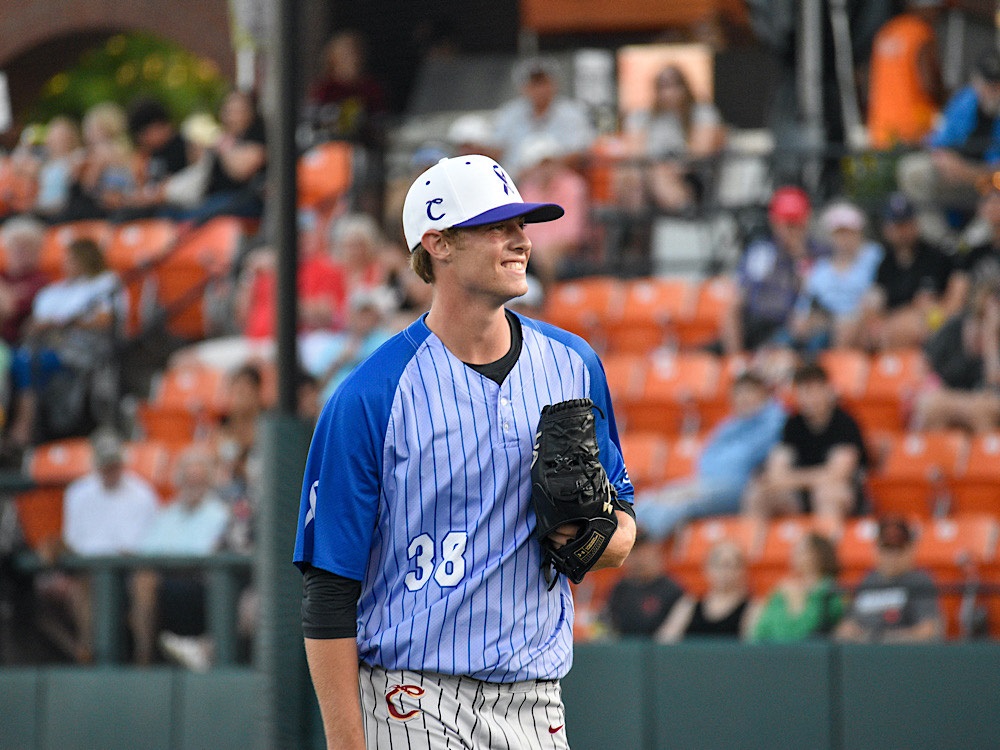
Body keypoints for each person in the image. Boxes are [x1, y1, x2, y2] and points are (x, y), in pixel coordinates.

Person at [294, 153, 636, 748]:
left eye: (521, 225)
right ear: (439, 244)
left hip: (538, 701)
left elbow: (624, 519)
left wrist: (595, 538)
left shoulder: (573, 363)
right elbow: (328, 591)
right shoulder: (370, 395)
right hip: (413, 697)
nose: (520, 241)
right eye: (496, 226)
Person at [35, 431, 159, 662]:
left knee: (144, 579)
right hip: (89, 569)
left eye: (114, 464)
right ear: (96, 465)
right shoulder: (78, 493)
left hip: (129, 569)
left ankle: (144, 657)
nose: (111, 470)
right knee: (81, 579)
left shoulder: (143, 493)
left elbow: (149, 543)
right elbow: (73, 540)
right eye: (105, 465)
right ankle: (87, 652)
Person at [6, 237, 126, 450]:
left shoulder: (105, 283)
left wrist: (64, 322)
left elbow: (105, 318)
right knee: (13, 360)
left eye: (71, 259)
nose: (65, 264)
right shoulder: (56, 290)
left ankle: (24, 427)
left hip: (81, 350)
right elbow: (33, 324)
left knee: (28, 361)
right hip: (45, 345)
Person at [634, 371, 786, 540]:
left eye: (749, 392)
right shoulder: (730, 424)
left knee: (681, 505)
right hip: (707, 483)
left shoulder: (774, 422)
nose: (743, 398)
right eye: (739, 393)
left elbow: (745, 459)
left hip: (738, 488)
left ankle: (646, 542)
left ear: (762, 394)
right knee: (654, 497)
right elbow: (706, 459)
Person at [129, 445, 230, 667]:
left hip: (201, 586)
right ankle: (143, 660)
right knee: (143, 580)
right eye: (188, 479)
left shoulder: (220, 514)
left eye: (199, 480)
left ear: (208, 482)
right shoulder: (166, 515)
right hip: (164, 583)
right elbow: (146, 553)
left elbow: (211, 553)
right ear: (179, 481)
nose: (193, 485)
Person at [744, 363, 868, 526]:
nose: (811, 397)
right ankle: (754, 548)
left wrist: (790, 479)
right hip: (798, 494)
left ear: (827, 389)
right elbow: (776, 470)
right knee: (758, 493)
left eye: (815, 390)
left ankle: (824, 548)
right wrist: (792, 481)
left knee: (828, 493)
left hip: (841, 493)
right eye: (804, 391)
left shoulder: (845, 423)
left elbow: (838, 474)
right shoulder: (793, 424)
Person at [899, 49, 1000, 234]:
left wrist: (969, 172)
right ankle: (942, 245)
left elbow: (996, 172)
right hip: (959, 179)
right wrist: (945, 160)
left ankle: (973, 247)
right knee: (913, 170)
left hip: (991, 185)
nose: (994, 89)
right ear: (977, 82)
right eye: (989, 83)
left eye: (998, 83)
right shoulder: (964, 100)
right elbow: (936, 142)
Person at [722, 185, 829, 353]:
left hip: (793, 331)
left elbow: (815, 298)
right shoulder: (761, 252)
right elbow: (739, 300)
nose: (790, 229)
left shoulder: (820, 254)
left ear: (806, 221)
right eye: (785, 223)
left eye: (796, 223)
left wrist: (800, 257)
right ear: (774, 222)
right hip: (757, 326)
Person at [855, 192, 959, 350]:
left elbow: (935, 305)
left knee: (913, 324)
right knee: (859, 328)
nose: (901, 231)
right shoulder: (886, 263)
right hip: (889, 325)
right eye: (896, 225)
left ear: (915, 223)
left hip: (930, 325)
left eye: (905, 224)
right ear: (886, 228)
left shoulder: (935, 257)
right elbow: (875, 300)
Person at [618, 64, 726, 215]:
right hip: (648, 178)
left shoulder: (702, 113)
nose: (669, 92)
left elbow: (700, 154)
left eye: (675, 84)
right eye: (663, 86)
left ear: (685, 86)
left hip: (691, 178)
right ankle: (632, 226)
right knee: (628, 174)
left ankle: (682, 214)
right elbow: (636, 155)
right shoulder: (643, 117)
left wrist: (670, 167)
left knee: (657, 174)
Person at [789, 201, 882, 352]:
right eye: (839, 233)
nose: (844, 238)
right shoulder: (819, 270)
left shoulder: (874, 257)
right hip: (826, 324)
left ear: (859, 233)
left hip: (860, 323)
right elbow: (804, 308)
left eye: (849, 232)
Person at [911, 276, 1000, 432]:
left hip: (986, 402)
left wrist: (991, 337)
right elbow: (925, 365)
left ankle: (987, 454)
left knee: (981, 411)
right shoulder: (955, 327)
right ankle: (936, 454)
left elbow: (993, 383)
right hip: (950, 397)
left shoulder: (993, 338)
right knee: (932, 406)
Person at [835, 516, 943, 642]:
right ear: (876, 549)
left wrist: (882, 638)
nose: (892, 556)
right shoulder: (868, 580)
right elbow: (845, 627)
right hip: (863, 653)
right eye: (886, 548)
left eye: (898, 549)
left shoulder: (920, 581)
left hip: (901, 656)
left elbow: (928, 631)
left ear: (911, 549)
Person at [866, 0, 945, 150]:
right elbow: (929, 84)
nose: (938, 17)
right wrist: (946, 100)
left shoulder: (887, 31)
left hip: (880, 130)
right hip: (914, 131)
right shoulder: (920, 32)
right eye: (938, 10)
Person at [492, 58, 596, 172]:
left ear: (554, 84)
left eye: (543, 82)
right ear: (523, 87)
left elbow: (581, 152)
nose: (540, 89)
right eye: (534, 84)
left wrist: (544, 169)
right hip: (516, 180)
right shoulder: (509, 113)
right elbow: (496, 148)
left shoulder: (573, 113)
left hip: (560, 180)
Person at [513, 133, 589, 283]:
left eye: (548, 162)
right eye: (541, 163)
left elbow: (572, 234)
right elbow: (523, 228)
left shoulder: (573, 185)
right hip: (532, 249)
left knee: (544, 257)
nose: (545, 169)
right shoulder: (528, 188)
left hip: (568, 251)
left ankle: (549, 304)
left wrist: (541, 248)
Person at [750, 532, 844, 642]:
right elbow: (761, 630)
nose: (793, 554)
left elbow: (803, 633)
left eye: (802, 551)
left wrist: (795, 603)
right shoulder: (783, 589)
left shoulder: (831, 591)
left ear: (818, 554)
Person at [655, 540, 758, 641]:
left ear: (743, 570)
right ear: (706, 568)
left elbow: (749, 649)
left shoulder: (752, 608)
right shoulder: (689, 605)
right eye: (717, 564)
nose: (724, 572)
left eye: (730, 565)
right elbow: (664, 642)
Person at [603, 529, 684, 638]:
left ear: (655, 550)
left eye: (641, 550)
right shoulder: (620, 589)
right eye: (632, 551)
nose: (637, 557)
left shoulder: (673, 590)